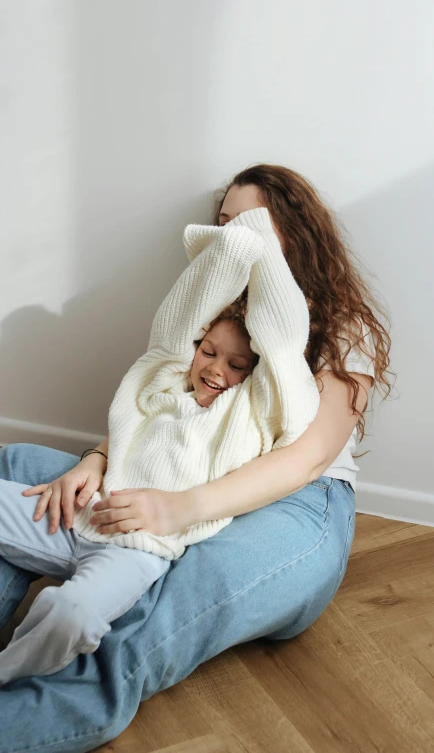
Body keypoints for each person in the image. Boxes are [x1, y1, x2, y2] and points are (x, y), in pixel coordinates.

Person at [0, 164, 392, 752]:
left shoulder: (339, 324)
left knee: (157, 610)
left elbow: (305, 459)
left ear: (291, 231)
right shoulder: (214, 311)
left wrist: (178, 509)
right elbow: (158, 410)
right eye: (224, 222)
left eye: (248, 222)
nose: (231, 233)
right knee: (20, 467)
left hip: (294, 503)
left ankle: (38, 716)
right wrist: (96, 461)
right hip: (177, 471)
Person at [0, 207, 320, 683]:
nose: (215, 369)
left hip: (136, 551)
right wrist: (234, 246)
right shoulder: (164, 381)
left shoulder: (255, 412)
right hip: (78, 515)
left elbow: (283, 337)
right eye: (208, 352)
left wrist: (262, 243)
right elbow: (181, 317)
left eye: (235, 365)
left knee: (72, 614)